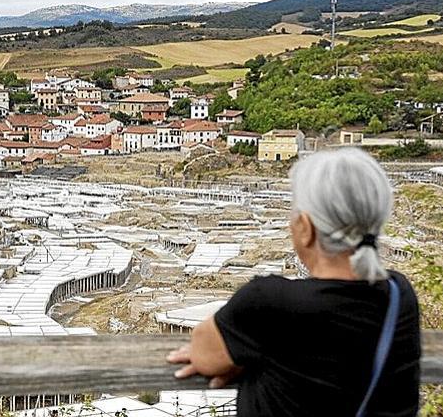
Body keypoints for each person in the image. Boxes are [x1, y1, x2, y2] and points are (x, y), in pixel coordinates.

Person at [166, 148, 421, 416]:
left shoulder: (268, 301)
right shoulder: (399, 295)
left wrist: (244, 356)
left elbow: (205, 354)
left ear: (305, 226)